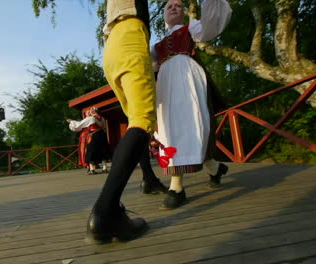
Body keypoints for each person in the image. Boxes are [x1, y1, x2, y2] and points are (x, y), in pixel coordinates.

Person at [86, 0, 159, 244]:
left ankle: (148, 178)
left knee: (133, 123)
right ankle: (105, 212)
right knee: (142, 121)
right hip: (131, 35)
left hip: (111, 45)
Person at [150, 0, 232, 209]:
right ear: (164, 15)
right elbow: (146, 66)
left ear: (184, 12)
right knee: (168, 128)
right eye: (169, 6)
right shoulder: (156, 45)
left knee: (191, 123)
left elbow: (210, 27)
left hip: (187, 77)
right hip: (166, 83)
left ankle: (176, 187)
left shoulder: (191, 28)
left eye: (178, 5)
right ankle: (215, 168)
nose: (173, 8)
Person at [67, 107, 111, 174]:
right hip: (102, 135)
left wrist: (71, 121)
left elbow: (79, 125)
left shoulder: (91, 118)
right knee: (103, 151)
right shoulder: (102, 118)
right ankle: (104, 168)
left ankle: (92, 169)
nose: (89, 112)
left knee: (90, 152)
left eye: (90, 111)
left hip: (94, 135)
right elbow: (103, 126)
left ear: (92, 112)